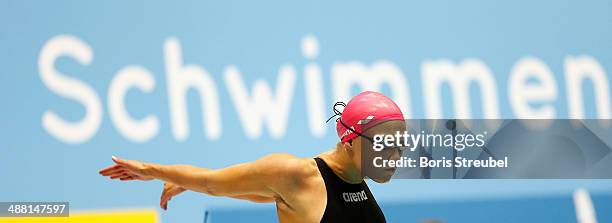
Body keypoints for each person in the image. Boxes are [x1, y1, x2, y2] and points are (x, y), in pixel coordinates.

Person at [99, 91, 406, 223]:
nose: (395, 155)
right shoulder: (298, 175)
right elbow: (211, 182)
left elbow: (262, 195)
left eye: (401, 144)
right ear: (349, 141)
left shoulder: (352, 181)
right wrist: (153, 170)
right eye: (385, 144)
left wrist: (186, 184)